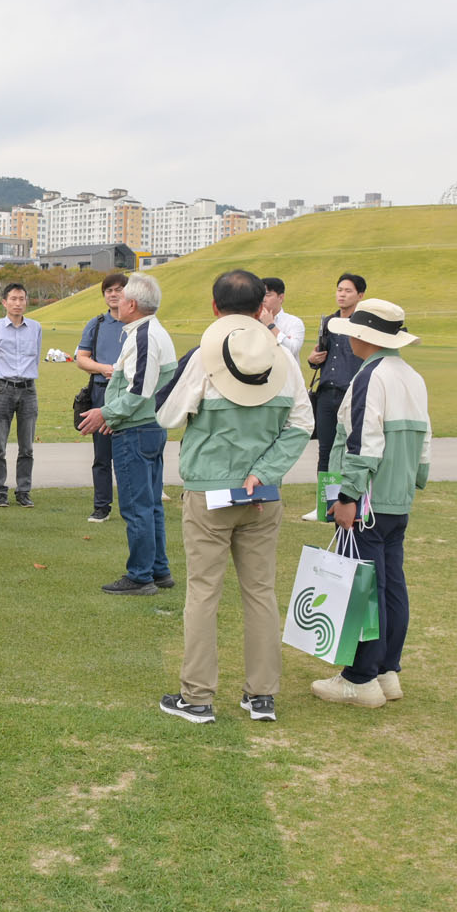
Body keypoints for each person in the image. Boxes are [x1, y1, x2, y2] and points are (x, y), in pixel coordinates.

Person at [156, 269, 313, 725]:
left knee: (203, 593)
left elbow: (167, 415)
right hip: (261, 494)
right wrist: (264, 471)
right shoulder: (283, 359)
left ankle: (197, 696)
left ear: (214, 307)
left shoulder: (205, 358)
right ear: (262, 307)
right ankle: (261, 695)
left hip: (208, 492)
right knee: (260, 592)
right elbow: (302, 424)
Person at [311, 298, 432, 708]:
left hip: (367, 499)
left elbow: (364, 442)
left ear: (366, 336)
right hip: (396, 497)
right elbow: (425, 439)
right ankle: (385, 669)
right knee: (391, 582)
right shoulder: (412, 376)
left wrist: (348, 495)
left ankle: (360, 677)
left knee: (364, 586)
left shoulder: (371, 376)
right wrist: (413, 480)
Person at [77, 273, 176, 594]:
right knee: (150, 504)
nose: (116, 302)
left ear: (132, 304)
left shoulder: (144, 335)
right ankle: (158, 570)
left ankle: (140, 576)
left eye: (121, 298)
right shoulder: (150, 331)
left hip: (136, 430)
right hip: (147, 426)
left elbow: (138, 390)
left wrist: (106, 413)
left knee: (137, 506)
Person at [304, 273, 367, 516]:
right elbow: (319, 357)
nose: (342, 294)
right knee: (325, 450)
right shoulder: (329, 322)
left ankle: (350, 501)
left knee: (352, 450)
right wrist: (312, 360)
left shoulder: (362, 325)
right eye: (339, 289)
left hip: (351, 394)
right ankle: (324, 505)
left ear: (360, 295)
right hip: (326, 394)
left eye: (348, 291)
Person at [0, 282, 42, 508]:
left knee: (27, 446)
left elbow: (36, 358)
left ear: (26, 301)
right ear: (4, 302)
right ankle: (0, 489)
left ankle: (23, 490)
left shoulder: (35, 328)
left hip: (28, 390)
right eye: (13, 299)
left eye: (21, 299)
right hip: (2, 389)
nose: (18, 303)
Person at [75, 273, 128, 522]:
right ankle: (101, 506)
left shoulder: (138, 324)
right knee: (102, 454)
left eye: (119, 289)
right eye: (109, 290)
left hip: (130, 393)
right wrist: (103, 368)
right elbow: (81, 358)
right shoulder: (96, 324)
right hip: (101, 391)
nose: (113, 294)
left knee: (129, 452)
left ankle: (132, 504)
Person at [260, 277, 304, 360]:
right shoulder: (252, 320)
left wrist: (270, 325)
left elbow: (293, 350)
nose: (263, 299)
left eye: (267, 295)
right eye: (260, 295)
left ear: (280, 298)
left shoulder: (294, 322)